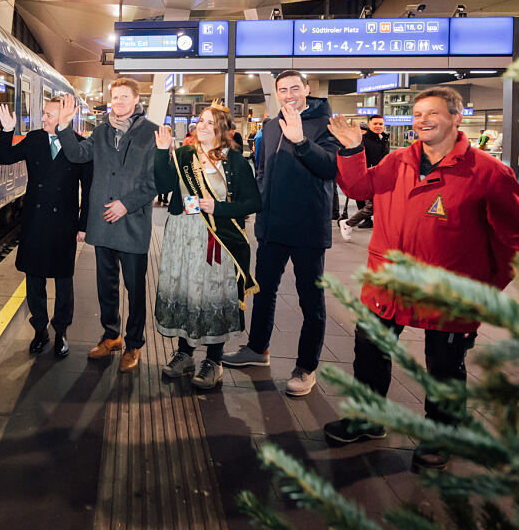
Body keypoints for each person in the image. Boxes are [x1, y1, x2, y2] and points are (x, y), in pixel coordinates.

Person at [323, 87, 519, 471]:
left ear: (456, 117)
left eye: (432, 113)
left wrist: (484, 289)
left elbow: (512, 241)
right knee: (369, 351)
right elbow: (357, 187)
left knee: (445, 366)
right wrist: (352, 150)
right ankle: (367, 418)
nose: (422, 120)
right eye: (417, 114)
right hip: (388, 282)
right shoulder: (397, 161)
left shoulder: (489, 174)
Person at [223, 70, 339, 397]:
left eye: (294, 88)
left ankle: (306, 367)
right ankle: (257, 349)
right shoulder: (271, 126)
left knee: (311, 301)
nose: (288, 94)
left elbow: (331, 168)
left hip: (307, 229)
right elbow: (264, 171)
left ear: (307, 89)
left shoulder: (325, 126)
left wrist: (302, 140)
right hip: (272, 226)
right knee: (264, 291)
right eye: (282, 89)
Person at [154, 106, 261, 390]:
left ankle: (214, 361)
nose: (202, 125)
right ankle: (185, 354)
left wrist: (220, 207)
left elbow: (253, 203)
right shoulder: (183, 156)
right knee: (189, 292)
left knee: (214, 294)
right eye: (200, 121)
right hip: (183, 236)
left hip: (218, 238)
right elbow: (161, 184)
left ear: (222, 129)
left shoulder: (236, 163)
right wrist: (161, 151)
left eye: (210, 123)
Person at [57, 79, 158, 373]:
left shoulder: (151, 133)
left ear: (137, 99)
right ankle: (111, 335)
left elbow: (155, 181)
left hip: (132, 223)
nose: (119, 101)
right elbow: (76, 155)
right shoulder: (101, 132)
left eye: (125, 96)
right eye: (115, 97)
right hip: (103, 224)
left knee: (136, 289)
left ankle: (134, 343)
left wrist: (126, 203)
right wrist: (64, 126)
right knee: (106, 286)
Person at [0, 100, 92, 358]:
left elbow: (89, 190)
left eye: (49, 115)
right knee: (34, 278)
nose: (44, 118)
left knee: (63, 280)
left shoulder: (81, 145)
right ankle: (40, 329)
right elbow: (4, 158)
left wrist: (84, 226)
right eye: (44, 113)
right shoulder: (35, 139)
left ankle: (61, 330)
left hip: (64, 224)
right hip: (35, 221)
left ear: (64, 117)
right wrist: (6, 131)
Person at [339, 115, 389, 240]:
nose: (378, 126)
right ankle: (348, 223)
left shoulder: (383, 139)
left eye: (381, 124)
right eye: (375, 124)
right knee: (370, 206)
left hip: (383, 176)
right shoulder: (363, 140)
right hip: (369, 176)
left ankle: (359, 223)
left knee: (377, 205)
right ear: (369, 125)